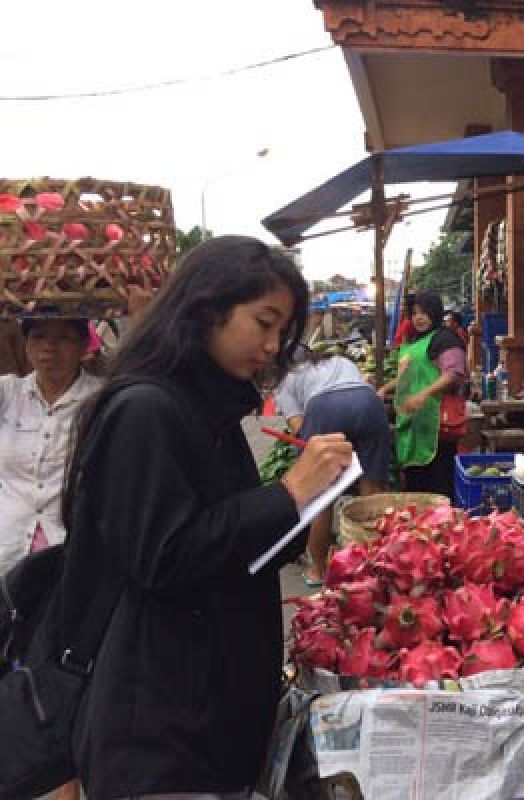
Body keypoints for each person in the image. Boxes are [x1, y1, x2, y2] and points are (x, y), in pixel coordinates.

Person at [59, 235, 354, 798]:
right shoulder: (147, 410)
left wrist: (303, 506)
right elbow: (164, 555)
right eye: (263, 323)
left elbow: (229, 539)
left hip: (209, 722)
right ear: (207, 309)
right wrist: (288, 492)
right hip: (161, 733)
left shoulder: (204, 407)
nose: (272, 346)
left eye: (281, 331)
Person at [275, 346, 392, 586]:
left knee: (321, 497)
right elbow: (356, 391)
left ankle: (319, 571)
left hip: (324, 409)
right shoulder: (339, 359)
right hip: (369, 402)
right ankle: (378, 568)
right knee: (372, 491)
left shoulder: (286, 381)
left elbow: (298, 427)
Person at [0, 317, 102, 576]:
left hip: (72, 550)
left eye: (64, 339)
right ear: (25, 345)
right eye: (39, 337)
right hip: (7, 546)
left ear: (83, 346)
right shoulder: (8, 393)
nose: (49, 347)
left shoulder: (101, 399)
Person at [379, 291, 467, 497]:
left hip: (437, 426)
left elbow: (453, 374)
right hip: (412, 424)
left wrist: (424, 394)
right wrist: (386, 389)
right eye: (414, 313)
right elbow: (409, 376)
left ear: (435, 313)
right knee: (415, 486)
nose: (418, 318)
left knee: (438, 486)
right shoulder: (415, 342)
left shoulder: (445, 339)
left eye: (424, 313)